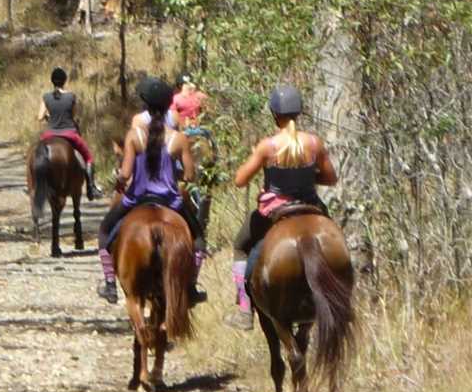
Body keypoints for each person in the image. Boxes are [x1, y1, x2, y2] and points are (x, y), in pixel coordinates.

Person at [226, 84, 338, 330]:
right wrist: (309, 178)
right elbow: (331, 178)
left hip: (274, 212)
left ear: (275, 114)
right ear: (299, 113)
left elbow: (239, 180)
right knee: (334, 239)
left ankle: (245, 310)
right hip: (311, 206)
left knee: (240, 246)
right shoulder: (314, 143)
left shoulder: (268, 146)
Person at [96, 77, 207, 305]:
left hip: (137, 199)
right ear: (169, 105)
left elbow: (125, 174)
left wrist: (118, 178)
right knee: (198, 241)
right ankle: (191, 286)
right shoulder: (178, 138)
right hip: (171, 201)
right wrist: (174, 175)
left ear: (145, 105)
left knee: (105, 232)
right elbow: (189, 175)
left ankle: (109, 284)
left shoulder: (134, 136)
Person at [37, 67, 103, 200]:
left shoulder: (46, 97)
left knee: (37, 155)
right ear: (64, 81)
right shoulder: (71, 96)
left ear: (52, 81)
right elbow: (73, 115)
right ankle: (91, 187)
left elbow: (39, 117)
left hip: (50, 134)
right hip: (70, 134)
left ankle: (37, 185)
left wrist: (49, 117)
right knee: (88, 157)